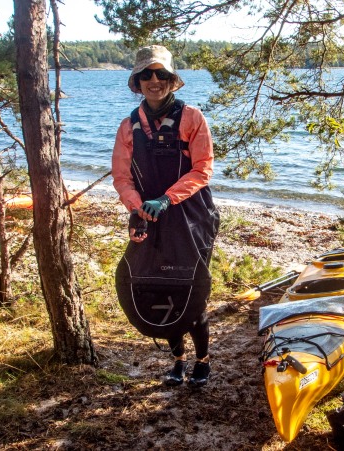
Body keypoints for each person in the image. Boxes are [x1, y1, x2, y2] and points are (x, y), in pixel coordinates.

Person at [112, 45, 219, 388]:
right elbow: (122, 177)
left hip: (192, 215)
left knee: (191, 287)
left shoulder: (192, 118)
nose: (153, 80)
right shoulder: (129, 127)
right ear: (137, 82)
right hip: (149, 216)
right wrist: (136, 207)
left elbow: (203, 169)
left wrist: (167, 199)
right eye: (146, 75)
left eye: (161, 74)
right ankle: (178, 360)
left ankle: (202, 360)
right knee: (158, 285)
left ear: (172, 80)